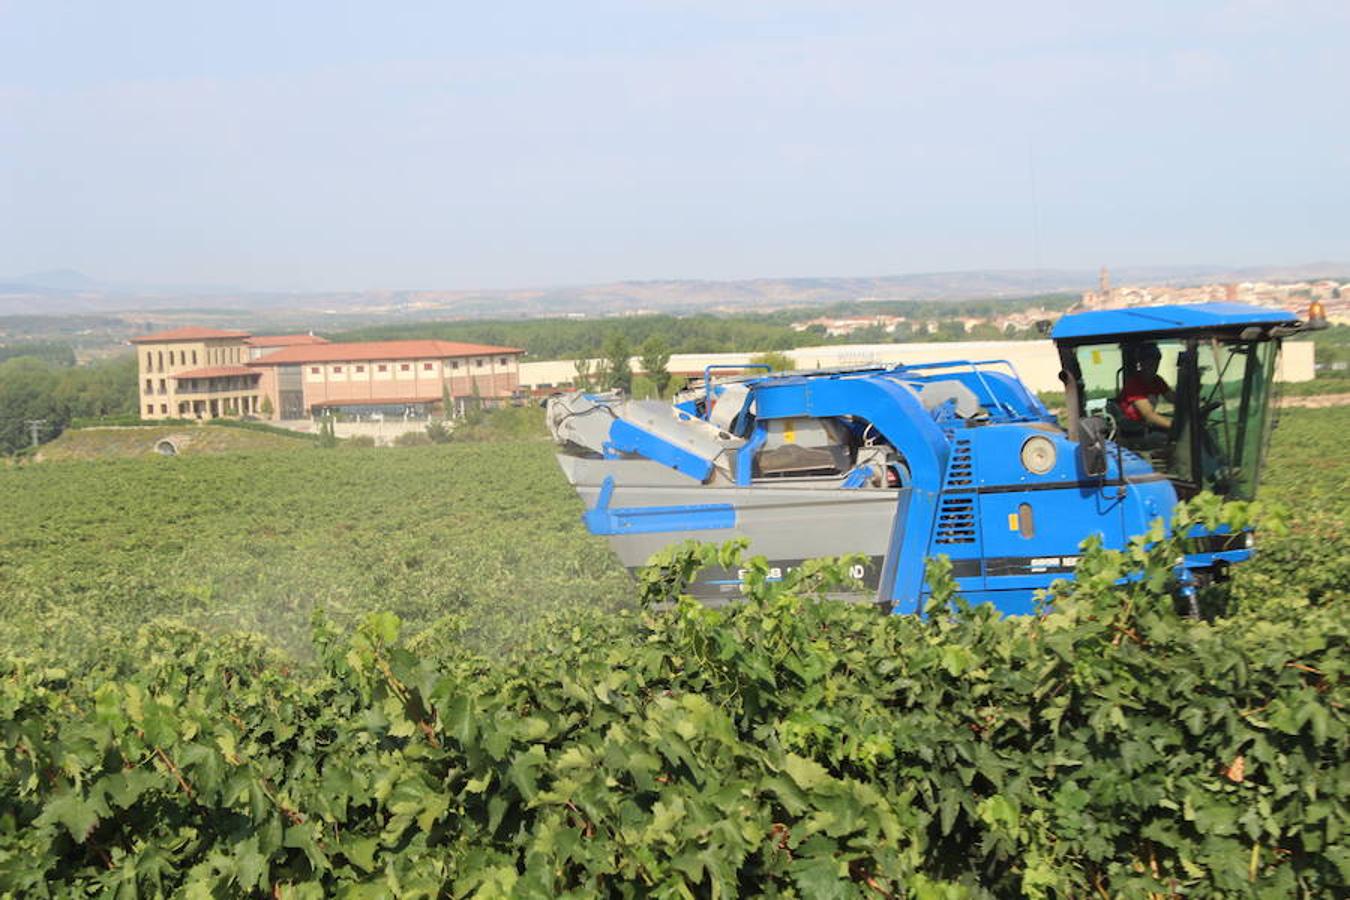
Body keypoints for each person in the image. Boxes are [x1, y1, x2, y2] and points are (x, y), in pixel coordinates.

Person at [1118, 342, 1174, 431]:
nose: (1154, 367)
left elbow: (1175, 400)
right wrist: (1175, 426)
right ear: (1141, 363)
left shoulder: (1157, 381)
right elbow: (1149, 415)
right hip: (1132, 431)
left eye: (1156, 363)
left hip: (1144, 426)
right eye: (1150, 363)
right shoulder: (1134, 384)